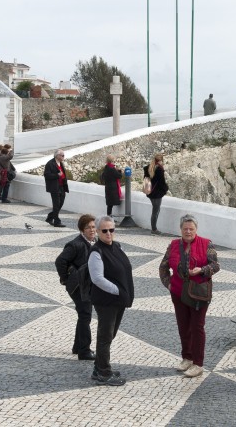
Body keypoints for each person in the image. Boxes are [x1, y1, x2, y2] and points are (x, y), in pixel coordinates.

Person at [158, 214, 220, 378]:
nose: (188, 231)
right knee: (183, 325)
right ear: (180, 229)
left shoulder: (207, 244)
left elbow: (215, 265)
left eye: (191, 229)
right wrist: (169, 284)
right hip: (178, 292)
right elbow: (163, 267)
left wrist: (202, 270)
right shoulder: (173, 245)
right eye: (185, 228)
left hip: (199, 292)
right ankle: (187, 357)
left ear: (196, 229)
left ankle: (198, 363)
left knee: (197, 327)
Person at [88, 215, 134, 386]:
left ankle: (98, 367)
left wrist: (123, 293)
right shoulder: (96, 251)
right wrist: (118, 291)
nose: (109, 234)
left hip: (118, 300)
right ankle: (104, 373)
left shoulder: (116, 246)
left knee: (110, 333)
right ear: (98, 232)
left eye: (112, 230)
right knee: (105, 335)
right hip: (106, 300)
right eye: (104, 231)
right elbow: (97, 278)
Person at [55, 214, 97, 361]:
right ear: (82, 230)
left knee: (83, 314)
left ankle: (77, 346)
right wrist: (66, 280)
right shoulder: (76, 244)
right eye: (88, 227)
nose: (92, 230)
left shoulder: (93, 242)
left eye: (93, 227)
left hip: (86, 285)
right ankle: (84, 351)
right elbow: (60, 261)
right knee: (85, 314)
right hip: (78, 286)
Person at [143, 153, 169, 235]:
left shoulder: (148, 168)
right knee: (155, 211)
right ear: (161, 160)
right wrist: (166, 189)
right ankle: (154, 229)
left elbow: (146, 179)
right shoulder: (159, 169)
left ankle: (154, 228)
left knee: (155, 210)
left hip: (150, 192)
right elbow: (162, 182)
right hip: (157, 193)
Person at [43, 149, 69, 227]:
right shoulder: (50, 164)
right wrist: (57, 175)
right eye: (62, 155)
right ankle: (57, 222)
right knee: (56, 204)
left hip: (62, 186)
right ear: (57, 156)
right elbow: (46, 175)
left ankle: (50, 217)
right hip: (54, 187)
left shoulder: (60, 163)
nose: (63, 157)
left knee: (60, 203)